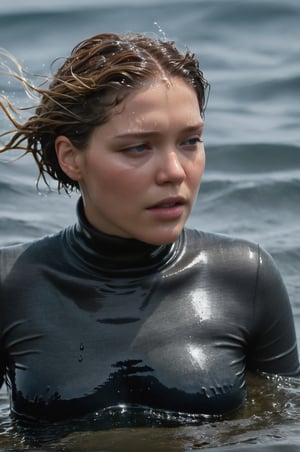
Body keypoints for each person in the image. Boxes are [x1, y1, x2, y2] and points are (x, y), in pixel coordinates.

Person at [0, 32, 299, 424]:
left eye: (190, 141)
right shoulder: (12, 285)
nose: (174, 172)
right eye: (138, 147)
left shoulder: (245, 277)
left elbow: (284, 425)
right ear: (71, 157)